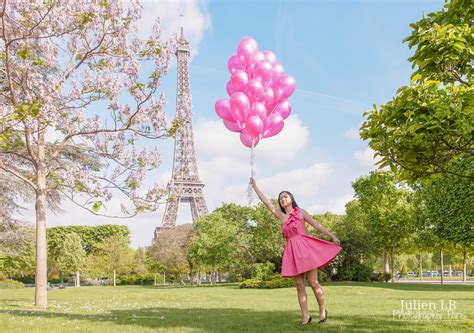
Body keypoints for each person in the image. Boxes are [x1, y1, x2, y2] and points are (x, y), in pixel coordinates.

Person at [249, 177, 341, 325]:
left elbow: (317, 225)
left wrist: (332, 236)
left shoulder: (301, 212)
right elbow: (267, 203)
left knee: (313, 282)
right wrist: (254, 187)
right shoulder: (281, 216)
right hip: (292, 252)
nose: (283, 199)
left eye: (285, 196)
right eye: (280, 198)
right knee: (299, 286)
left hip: (306, 250)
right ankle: (306, 316)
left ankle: (322, 311)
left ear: (291, 198)